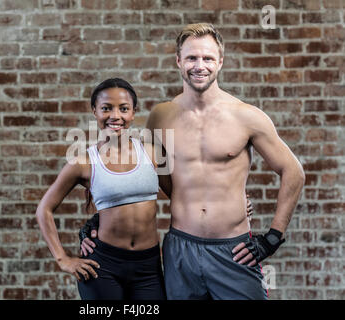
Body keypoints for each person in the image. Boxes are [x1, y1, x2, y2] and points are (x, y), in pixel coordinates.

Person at [80, 23, 305, 300]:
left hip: (234, 250)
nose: (200, 66)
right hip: (180, 249)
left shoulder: (247, 116)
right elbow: (145, 176)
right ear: (178, 61)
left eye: (208, 58)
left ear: (220, 62)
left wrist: (273, 237)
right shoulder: (161, 116)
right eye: (192, 58)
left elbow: (293, 171)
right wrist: (101, 220)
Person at [36, 78, 168, 300]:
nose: (115, 116)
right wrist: (63, 259)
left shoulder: (153, 154)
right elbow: (44, 209)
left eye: (123, 109)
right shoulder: (84, 162)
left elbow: (184, 197)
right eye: (106, 108)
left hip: (148, 266)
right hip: (103, 265)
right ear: (95, 112)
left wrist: (240, 208)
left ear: (133, 113)